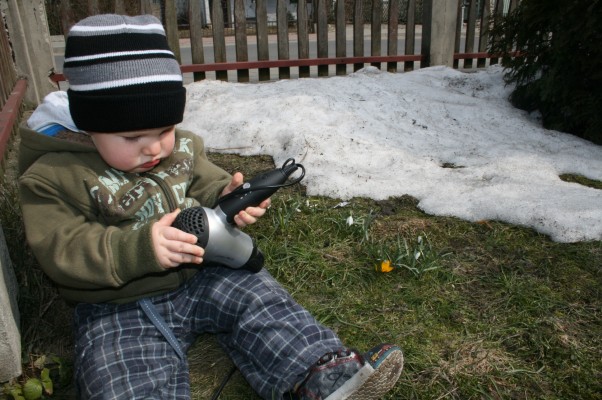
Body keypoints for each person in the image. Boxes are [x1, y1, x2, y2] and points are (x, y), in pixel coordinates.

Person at [18, 14, 403, 400]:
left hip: (204, 273)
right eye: (132, 136)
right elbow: (61, 249)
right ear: (89, 124)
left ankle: (323, 379)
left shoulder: (182, 149)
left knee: (261, 301)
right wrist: (140, 247)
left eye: (165, 130)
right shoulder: (53, 175)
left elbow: (206, 182)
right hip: (116, 304)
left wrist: (229, 198)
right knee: (122, 369)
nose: (154, 148)